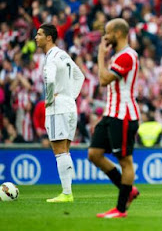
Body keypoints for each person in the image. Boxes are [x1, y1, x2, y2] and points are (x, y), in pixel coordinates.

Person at [88, 18, 140, 218]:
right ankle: (129, 190)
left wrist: (100, 56)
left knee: (125, 160)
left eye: (107, 33)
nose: (105, 37)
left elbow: (103, 80)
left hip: (124, 116)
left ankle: (120, 209)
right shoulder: (119, 55)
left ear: (118, 34)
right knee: (94, 154)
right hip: (110, 114)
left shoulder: (127, 56)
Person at [35, 23, 85, 202]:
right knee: (65, 150)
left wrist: (48, 100)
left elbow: (49, 79)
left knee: (59, 151)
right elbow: (80, 76)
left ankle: (66, 193)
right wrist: (71, 95)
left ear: (49, 38)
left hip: (57, 108)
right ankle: (67, 192)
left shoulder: (50, 58)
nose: (36, 37)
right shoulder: (63, 54)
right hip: (70, 106)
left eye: (39, 34)